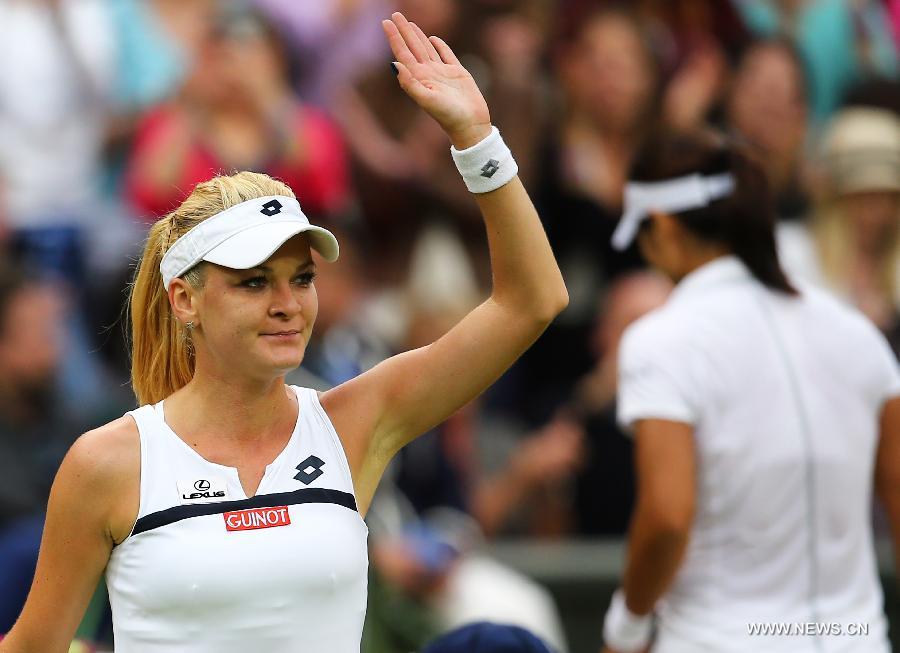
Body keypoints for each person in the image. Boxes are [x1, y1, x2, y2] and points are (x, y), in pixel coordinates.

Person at [0, 12, 568, 653]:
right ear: (185, 299)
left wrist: (477, 138)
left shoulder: (354, 420)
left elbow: (532, 302)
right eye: (253, 282)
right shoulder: (106, 464)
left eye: (301, 278)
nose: (287, 304)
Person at [599, 130, 900, 653]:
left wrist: (625, 630)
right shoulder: (859, 337)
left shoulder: (662, 341)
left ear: (664, 226)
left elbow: (667, 516)